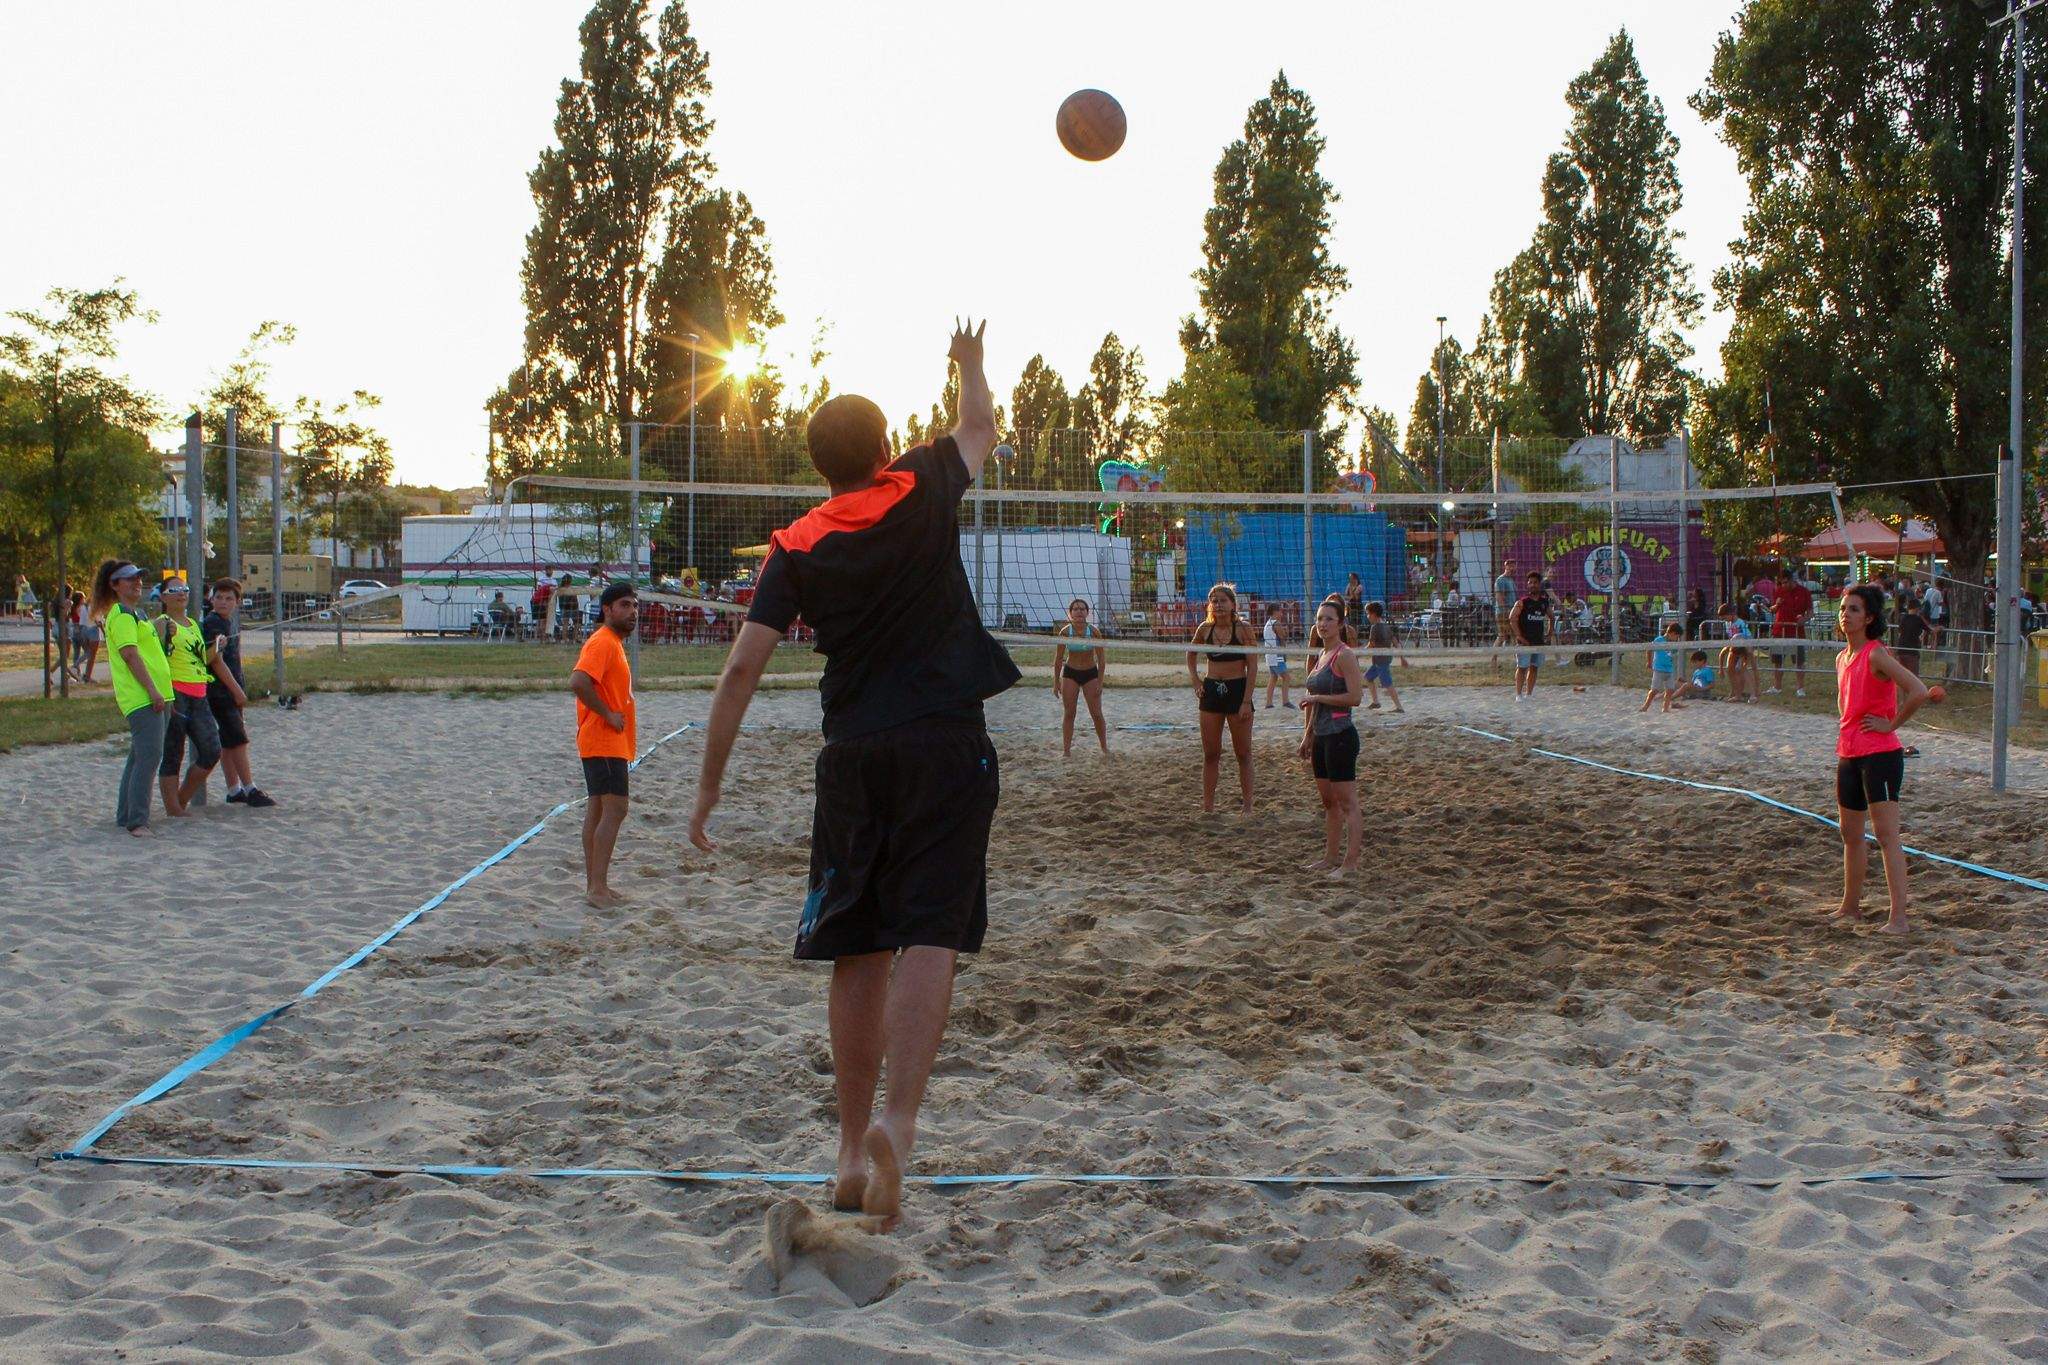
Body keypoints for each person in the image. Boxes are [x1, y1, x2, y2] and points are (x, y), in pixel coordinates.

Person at [688, 321, 1019, 1232]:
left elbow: (743, 668)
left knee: (857, 941)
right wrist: (969, 364)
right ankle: (897, 1128)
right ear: (881, 449)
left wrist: (710, 784)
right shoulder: (918, 482)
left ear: (819, 466)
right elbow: (982, 426)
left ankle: (844, 1152)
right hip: (946, 738)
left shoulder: (797, 541)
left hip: (854, 752)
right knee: (930, 933)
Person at [1832, 584, 1930, 933]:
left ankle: (1898, 918)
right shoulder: (1843, 658)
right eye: (1843, 608)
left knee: (1887, 835)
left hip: (1881, 755)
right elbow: (1847, 707)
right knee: (1850, 833)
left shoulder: (1876, 654)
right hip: (1849, 752)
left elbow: (1918, 691)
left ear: (1869, 617)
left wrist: (1891, 723)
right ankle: (1850, 907)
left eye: (1854, 609)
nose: (1846, 615)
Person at [570, 581, 639, 908]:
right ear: (607, 609)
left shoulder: (612, 643)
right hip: (603, 739)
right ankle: (597, 888)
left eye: (635, 606)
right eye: (624, 605)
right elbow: (578, 682)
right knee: (616, 809)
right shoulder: (603, 642)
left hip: (602, 740)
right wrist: (609, 715)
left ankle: (596, 886)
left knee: (598, 810)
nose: (632, 612)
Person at [93, 560, 171, 836]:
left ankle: (126, 814)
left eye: (138, 578)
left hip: (156, 694)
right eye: (128, 579)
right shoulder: (122, 615)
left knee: (138, 756)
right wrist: (152, 690)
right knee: (149, 757)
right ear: (114, 585)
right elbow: (130, 655)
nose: (136, 583)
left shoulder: (135, 614)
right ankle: (137, 820)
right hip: (142, 697)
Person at [1299, 598, 1364, 876]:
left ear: (1340, 624)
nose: (1323, 624)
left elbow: (1355, 698)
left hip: (1340, 735)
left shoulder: (1344, 655)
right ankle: (1330, 857)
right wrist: (1307, 735)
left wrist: (1318, 697)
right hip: (1322, 735)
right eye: (1320, 619)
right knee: (1328, 802)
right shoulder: (1319, 657)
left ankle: (1350, 863)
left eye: (1329, 619)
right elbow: (1315, 705)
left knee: (1347, 802)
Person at [152, 579, 224, 817]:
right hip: (176, 692)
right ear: (163, 597)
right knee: (174, 751)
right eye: (174, 590)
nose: (181, 594)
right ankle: (173, 807)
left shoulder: (193, 623)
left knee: (212, 749)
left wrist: (217, 648)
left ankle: (180, 800)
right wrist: (165, 634)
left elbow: (201, 658)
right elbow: (152, 650)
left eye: (184, 589)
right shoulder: (163, 622)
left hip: (199, 693)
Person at [1187, 582, 1259, 814]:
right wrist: (1196, 681)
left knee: (1243, 753)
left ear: (1232, 604)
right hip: (1211, 693)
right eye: (1214, 601)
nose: (1218, 604)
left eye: (1222, 600)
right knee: (1211, 754)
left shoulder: (1243, 629)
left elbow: (1253, 667)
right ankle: (1208, 807)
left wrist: (1246, 701)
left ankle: (1248, 807)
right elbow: (1191, 655)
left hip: (1237, 691)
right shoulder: (1204, 629)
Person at [201, 580, 272, 807]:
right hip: (221, 692)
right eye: (218, 597)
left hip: (226, 689)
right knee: (238, 740)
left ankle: (234, 790)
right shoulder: (213, 622)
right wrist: (237, 690)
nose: (223, 602)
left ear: (237, 602)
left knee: (229, 741)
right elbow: (216, 661)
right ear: (211, 600)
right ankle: (250, 788)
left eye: (229, 598)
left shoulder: (227, 621)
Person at [1053, 597, 1108, 756]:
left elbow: (1102, 661)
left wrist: (1100, 682)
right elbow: (1058, 660)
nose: (1079, 611)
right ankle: (1066, 752)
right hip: (1070, 673)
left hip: (1091, 673)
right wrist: (1056, 682)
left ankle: (1104, 748)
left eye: (1082, 609)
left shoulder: (1094, 632)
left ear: (1087, 613)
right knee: (1069, 713)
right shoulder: (1065, 632)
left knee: (1097, 714)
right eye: (1075, 609)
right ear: (1070, 613)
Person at [1767, 566, 1814, 697]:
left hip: (1796, 632)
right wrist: (1776, 605)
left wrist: (1803, 619)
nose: (1783, 585)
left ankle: (1800, 688)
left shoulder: (1804, 592)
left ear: (1792, 580)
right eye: (1781, 583)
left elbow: (1810, 613)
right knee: (1777, 661)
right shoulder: (1778, 591)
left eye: (1785, 582)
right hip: (1779, 630)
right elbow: (1772, 610)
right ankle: (1777, 687)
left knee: (1798, 661)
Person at [1509, 570, 1553, 702]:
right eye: (1530, 582)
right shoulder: (1522, 602)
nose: (1532, 585)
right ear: (1527, 585)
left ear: (1539, 584)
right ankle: (1518, 694)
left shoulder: (1544, 602)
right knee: (1522, 667)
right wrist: (1519, 636)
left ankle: (1529, 694)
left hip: (1538, 641)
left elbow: (1552, 617)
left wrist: (1549, 634)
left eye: (1535, 582)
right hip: (1524, 642)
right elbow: (1512, 618)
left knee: (1534, 667)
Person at [1362, 600, 1405, 713]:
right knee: (1368, 677)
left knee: (1387, 683)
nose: (1367, 616)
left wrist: (1360, 652)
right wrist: (1402, 658)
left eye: (1368, 613)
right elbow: (1396, 642)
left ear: (1374, 614)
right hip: (1383, 658)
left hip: (1381, 660)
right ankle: (1376, 702)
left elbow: (1371, 645)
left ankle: (1399, 707)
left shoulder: (1375, 628)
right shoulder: (1386, 626)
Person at [1717, 601, 1759, 702]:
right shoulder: (1728, 624)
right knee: (1730, 669)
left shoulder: (1740, 623)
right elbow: (1730, 639)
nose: (1725, 620)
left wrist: (1748, 651)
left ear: (1731, 614)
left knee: (1743, 669)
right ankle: (1736, 693)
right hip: (1734, 646)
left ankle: (1753, 694)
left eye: (1725, 617)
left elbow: (1746, 636)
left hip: (1743, 647)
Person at [1641, 621, 1687, 713]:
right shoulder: (1659, 640)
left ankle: (1665, 708)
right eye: (1677, 636)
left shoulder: (1673, 644)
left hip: (1669, 670)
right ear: (1672, 633)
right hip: (1659, 669)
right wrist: (1649, 662)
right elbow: (1649, 649)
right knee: (1654, 690)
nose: (1677, 639)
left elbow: (1672, 654)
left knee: (1670, 689)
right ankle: (1646, 706)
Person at [1262, 604, 1292, 710]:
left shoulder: (1268, 623)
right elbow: (1283, 637)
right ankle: (1285, 701)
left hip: (1270, 654)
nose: (1282, 613)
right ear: (1275, 611)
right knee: (1286, 677)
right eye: (1280, 611)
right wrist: (1287, 631)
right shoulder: (1276, 623)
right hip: (1276, 654)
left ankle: (1269, 703)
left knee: (1273, 678)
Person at [1893, 593, 1929, 676]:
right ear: (1917, 608)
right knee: (1913, 677)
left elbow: (1899, 630)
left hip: (1901, 649)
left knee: (1901, 677)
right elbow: (1929, 628)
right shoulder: (1918, 619)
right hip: (1912, 651)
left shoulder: (1903, 618)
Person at [71, 590, 100, 683]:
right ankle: (86, 674)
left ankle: (81, 672)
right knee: (92, 654)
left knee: (86, 652)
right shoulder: (95, 607)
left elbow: (81, 621)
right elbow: (98, 620)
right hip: (93, 629)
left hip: (84, 630)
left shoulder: (82, 607)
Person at [1493, 560, 1518, 652]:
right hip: (1503, 612)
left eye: (1514, 566)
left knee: (1514, 635)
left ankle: (1518, 660)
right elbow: (1499, 598)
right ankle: (1493, 659)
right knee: (1502, 636)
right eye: (1511, 566)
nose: (1513, 568)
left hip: (1511, 612)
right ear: (1506, 566)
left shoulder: (1511, 580)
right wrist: (1506, 611)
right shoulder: (1501, 580)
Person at [530, 566, 557, 638]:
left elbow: (553, 594)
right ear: (546, 570)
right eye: (549, 570)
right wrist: (545, 605)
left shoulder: (554, 580)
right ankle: (540, 636)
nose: (551, 571)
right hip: (538, 601)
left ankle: (545, 636)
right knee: (541, 619)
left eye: (552, 570)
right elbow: (540, 592)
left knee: (545, 619)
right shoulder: (542, 579)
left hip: (547, 601)